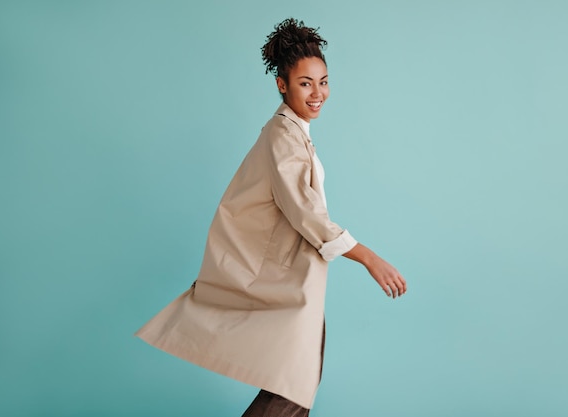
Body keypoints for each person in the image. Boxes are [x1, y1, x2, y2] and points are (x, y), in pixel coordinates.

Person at [135, 18, 407, 416]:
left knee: (295, 386)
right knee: (292, 390)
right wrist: (369, 258)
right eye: (305, 83)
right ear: (282, 85)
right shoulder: (283, 136)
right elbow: (306, 214)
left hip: (295, 284)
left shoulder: (293, 132)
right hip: (283, 287)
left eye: (324, 81)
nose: (319, 94)